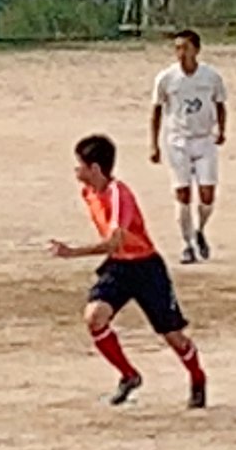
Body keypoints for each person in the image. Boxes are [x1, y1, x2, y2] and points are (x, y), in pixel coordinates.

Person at [48, 133, 207, 409]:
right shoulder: (89, 192)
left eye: (80, 164)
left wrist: (72, 252)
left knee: (173, 336)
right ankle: (128, 374)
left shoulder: (119, 194)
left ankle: (197, 377)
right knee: (94, 317)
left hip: (145, 267)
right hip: (120, 266)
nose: (76, 170)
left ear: (95, 168)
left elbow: (114, 241)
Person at [149, 28, 229, 264]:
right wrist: (154, 144)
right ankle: (186, 244)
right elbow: (156, 111)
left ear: (196, 49)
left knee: (207, 194)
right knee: (182, 193)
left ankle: (200, 229)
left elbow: (220, 103)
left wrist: (221, 130)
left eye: (185, 47)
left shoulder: (210, 76)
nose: (180, 53)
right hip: (178, 140)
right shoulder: (166, 78)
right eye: (177, 48)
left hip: (204, 139)